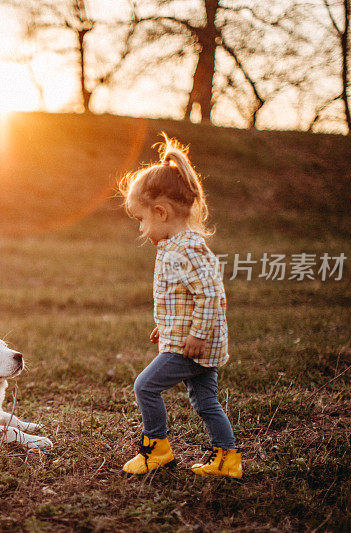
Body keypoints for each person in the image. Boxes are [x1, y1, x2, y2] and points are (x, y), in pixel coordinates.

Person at [117, 135, 241, 478]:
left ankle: (156, 448)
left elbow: (210, 293)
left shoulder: (186, 249)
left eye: (142, 219)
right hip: (190, 341)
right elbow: (185, 298)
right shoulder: (177, 247)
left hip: (192, 346)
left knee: (146, 386)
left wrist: (197, 334)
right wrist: (168, 326)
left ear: (161, 211)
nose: (142, 228)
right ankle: (227, 459)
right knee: (205, 402)